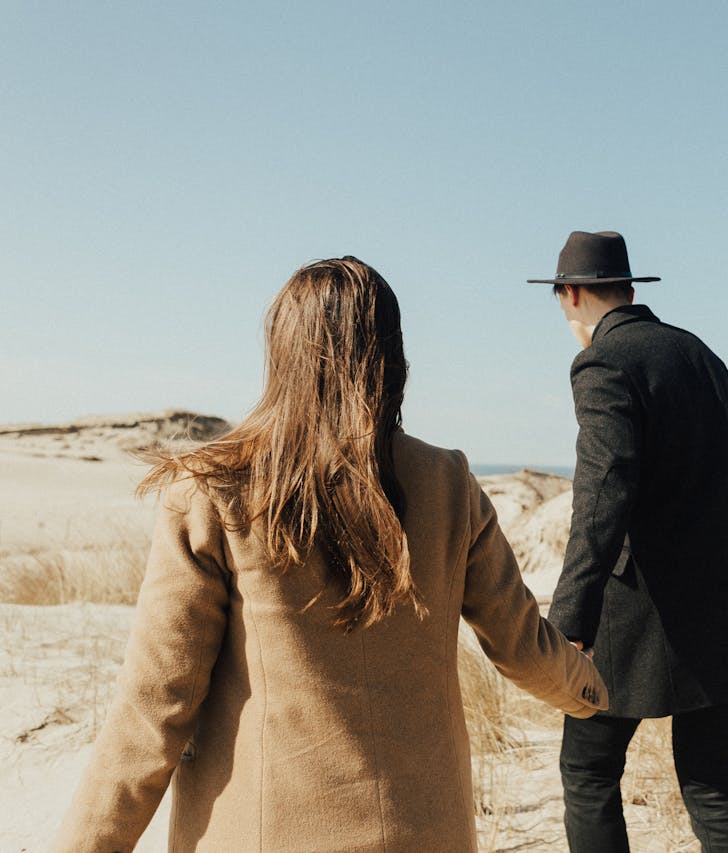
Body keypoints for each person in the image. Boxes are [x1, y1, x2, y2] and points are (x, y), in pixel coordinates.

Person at [53, 256, 606, 852]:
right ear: (392, 356)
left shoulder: (214, 489)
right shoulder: (448, 482)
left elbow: (155, 708)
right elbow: (523, 647)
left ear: (281, 352)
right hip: (427, 834)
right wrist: (593, 689)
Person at [527, 231, 728, 851]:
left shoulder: (602, 362)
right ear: (629, 287)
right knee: (712, 783)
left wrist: (569, 623)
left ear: (570, 294)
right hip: (723, 607)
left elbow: (601, 496)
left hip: (631, 618)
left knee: (588, 775)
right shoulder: (700, 354)